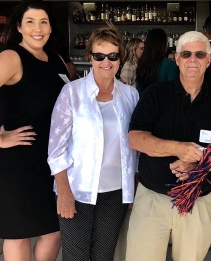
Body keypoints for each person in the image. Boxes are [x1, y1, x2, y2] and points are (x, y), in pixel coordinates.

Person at [0, 0, 66, 261]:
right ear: (19, 27)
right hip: (15, 161)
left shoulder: (56, 60)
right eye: (30, 22)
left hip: (49, 160)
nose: (37, 28)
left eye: (43, 22)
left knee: (53, 230)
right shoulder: (11, 57)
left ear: (51, 27)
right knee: (18, 234)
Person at [126, 31, 211, 261]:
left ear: (209, 59)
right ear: (176, 59)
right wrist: (179, 149)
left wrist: (198, 164)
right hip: (152, 198)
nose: (192, 59)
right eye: (186, 54)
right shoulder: (155, 95)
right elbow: (135, 138)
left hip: (197, 200)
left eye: (199, 54)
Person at [48, 25, 139, 261]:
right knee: (75, 255)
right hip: (77, 190)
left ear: (121, 58)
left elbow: (134, 148)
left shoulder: (131, 95)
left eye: (112, 56)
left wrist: (133, 187)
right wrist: (64, 193)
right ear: (90, 56)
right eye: (99, 56)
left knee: (104, 255)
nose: (106, 62)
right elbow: (56, 150)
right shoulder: (71, 93)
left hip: (116, 193)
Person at [136, 28, 178, 94]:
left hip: (145, 102)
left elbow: (139, 89)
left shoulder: (142, 62)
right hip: (164, 102)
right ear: (163, 44)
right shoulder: (170, 64)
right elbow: (173, 90)